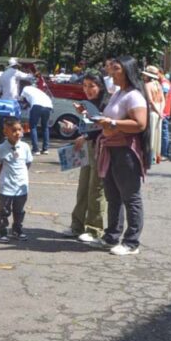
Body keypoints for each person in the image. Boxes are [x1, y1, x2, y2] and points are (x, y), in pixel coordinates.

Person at [96, 55, 148, 255]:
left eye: (116, 68)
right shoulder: (118, 93)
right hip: (111, 148)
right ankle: (112, 235)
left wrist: (113, 124)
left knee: (130, 196)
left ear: (126, 71)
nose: (111, 72)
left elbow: (140, 124)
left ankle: (131, 242)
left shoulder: (134, 96)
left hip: (126, 150)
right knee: (113, 195)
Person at [63, 73, 109, 242]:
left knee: (96, 189)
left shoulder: (107, 103)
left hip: (101, 148)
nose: (88, 89)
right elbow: (88, 126)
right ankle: (77, 226)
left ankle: (94, 229)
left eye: (92, 86)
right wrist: (74, 128)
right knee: (83, 187)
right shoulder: (88, 104)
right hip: (88, 148)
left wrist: (86, 137)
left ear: (100, 86)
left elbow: (103, 128)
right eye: (85, 85)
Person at [0, 118, 33, 243]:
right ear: (6, 132)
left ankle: (17, 230)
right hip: (6, 185)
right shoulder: (1, 148)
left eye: (19, 129)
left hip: (21, 185)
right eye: (13, 130)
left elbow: (28, 163)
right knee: (4, 211)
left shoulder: (25, 147)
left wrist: (21, 176)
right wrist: (3, 177)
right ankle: (3, 232)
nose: (17, 133)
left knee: (19, 211)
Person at [20, 81, 54, 155]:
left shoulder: (25, 88)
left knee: (33, 127)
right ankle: (45, 149)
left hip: (37, 106)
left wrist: (24, 106)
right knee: (45, 127)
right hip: (48, 106)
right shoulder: (37, 90)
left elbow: (21, 100)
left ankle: (36, 149)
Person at [142, 66, 165, 165]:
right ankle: (156, 156)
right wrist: (161, 111)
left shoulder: (147, 85)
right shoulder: (158, 85)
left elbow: (150, 101)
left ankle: (150, 157)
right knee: (157, 135)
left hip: (152, 112)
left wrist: (157, 111)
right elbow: (163, 100)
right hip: (159, 111)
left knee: (150, 135)